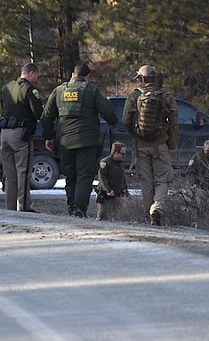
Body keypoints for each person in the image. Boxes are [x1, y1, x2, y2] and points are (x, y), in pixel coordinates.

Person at [41, 62, 118, 217]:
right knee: (84, 175)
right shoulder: (92, 90)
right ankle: (79, 210)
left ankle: (71, 208)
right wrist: (112, 123)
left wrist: (49, 137)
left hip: (64, 142)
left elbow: (46, 117)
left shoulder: (59, 91)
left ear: (72, 75)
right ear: (87, 77)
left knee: (70, 176)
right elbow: (108, 112)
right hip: (86, 142)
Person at [122, 64, 178, 226]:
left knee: (145, 180)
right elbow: (174, 122)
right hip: (161, 144)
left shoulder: (134, 96)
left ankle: (149, 215)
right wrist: (172, 143)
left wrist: (136, 136)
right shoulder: (166, 95)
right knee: (162, 179)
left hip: (141, 145)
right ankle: (157, 209)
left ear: (141, 79)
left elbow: (126, 120)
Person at [0, 62, 44, 213]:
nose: (37, 79)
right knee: (23, 172)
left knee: (10, 174)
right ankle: (24, 206)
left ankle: (9, 208)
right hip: (20, 134)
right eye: (37, 75)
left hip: (4, 133)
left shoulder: (6, 87)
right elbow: (38, 113)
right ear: (31, 73)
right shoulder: (29, 89)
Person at [95, 142, 129, 220]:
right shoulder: (106, 162)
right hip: (105, 195)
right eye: (122, 154)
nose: (123, 156)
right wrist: (108, 190)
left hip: (117, 194)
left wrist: (125, 190)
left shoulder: (120, 164)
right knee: (102, 215)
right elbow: (101, 177)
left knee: (116, 215)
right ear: (115, 152)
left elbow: (122, 179)